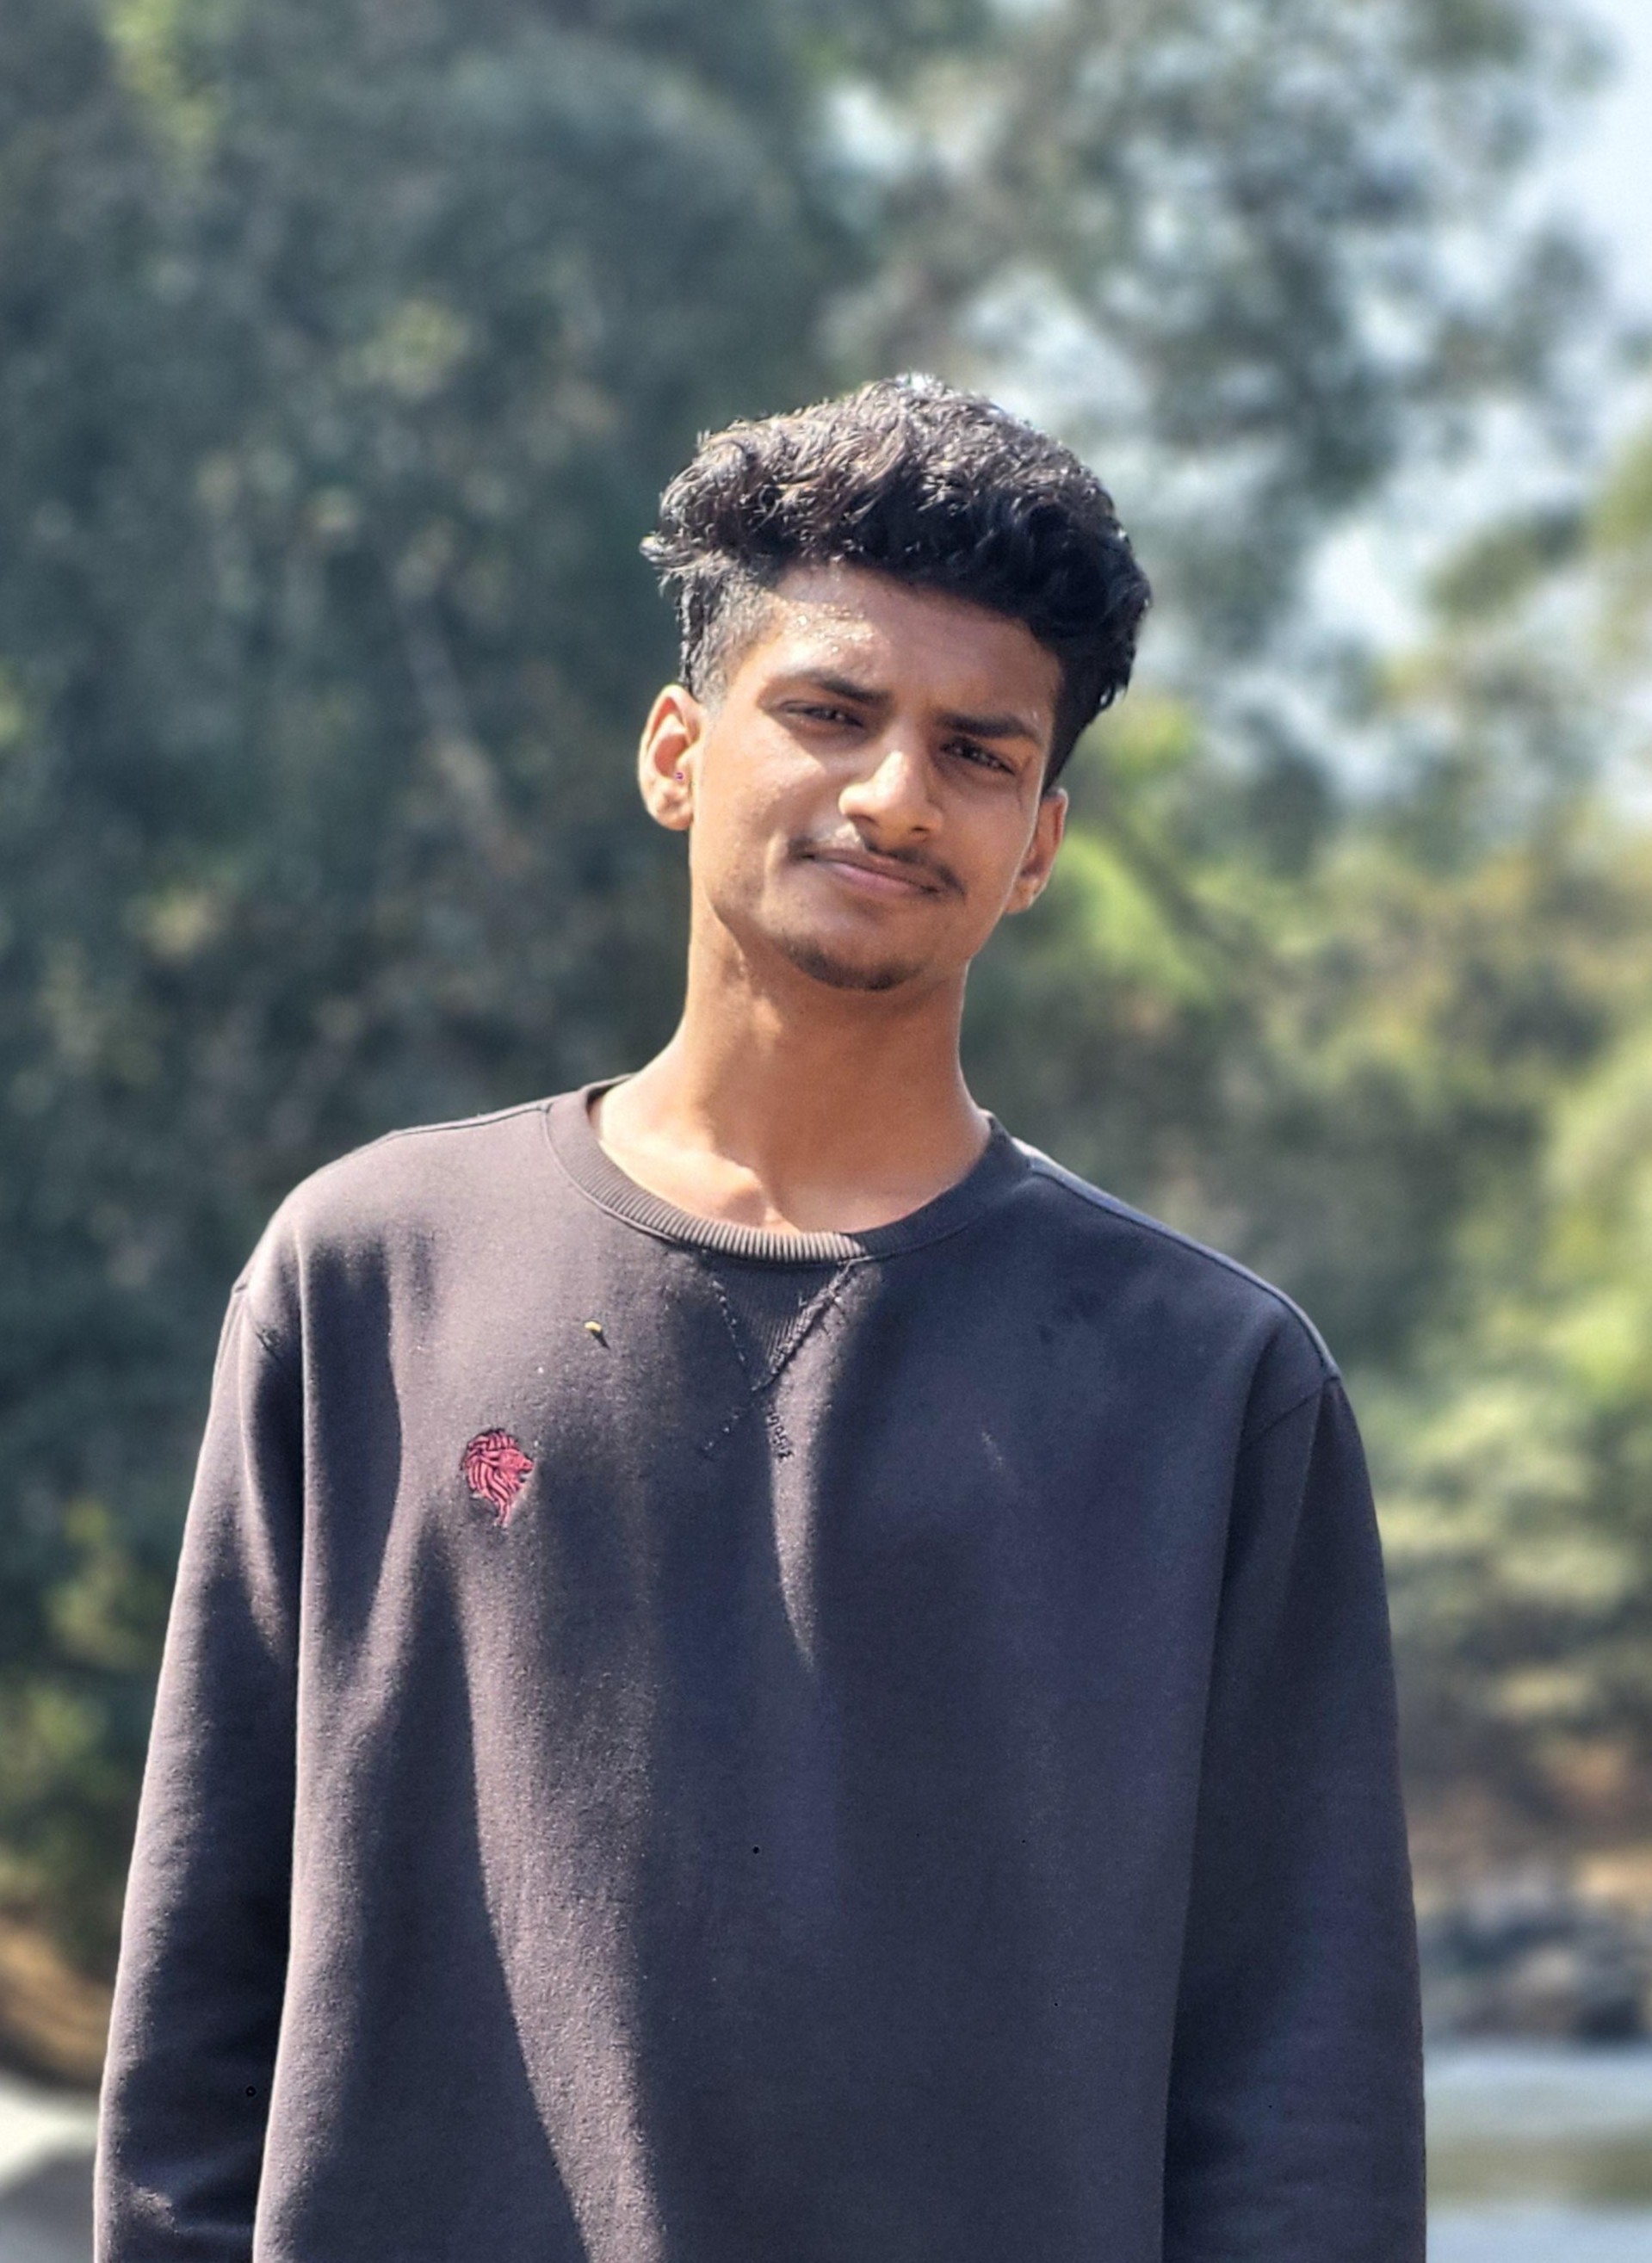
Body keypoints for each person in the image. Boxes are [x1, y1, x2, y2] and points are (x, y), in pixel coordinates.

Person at [95, 375, 1425, 2262]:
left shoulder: (1213, 1386)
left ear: (1040, 844)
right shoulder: (373, 1274)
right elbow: (198, 2008)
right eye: (829, 712)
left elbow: (1303, 2102)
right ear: (677, 749)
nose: (895, 794)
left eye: (978, 751)